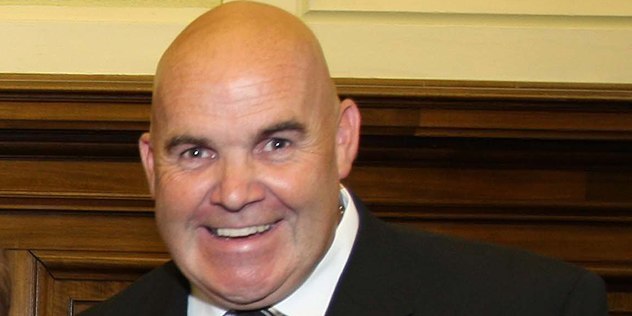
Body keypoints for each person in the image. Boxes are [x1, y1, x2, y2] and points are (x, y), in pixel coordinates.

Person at [81, 1, 608, 315]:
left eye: (277, 144)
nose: (235, 193)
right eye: (196, 152)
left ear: (343, 139)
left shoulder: (532, 307)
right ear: (152, 167)